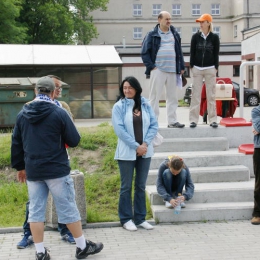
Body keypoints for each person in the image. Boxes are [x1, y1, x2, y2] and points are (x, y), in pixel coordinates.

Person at [11, 76, 103, 260]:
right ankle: (82, 247)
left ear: (35, 91)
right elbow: (74, 140)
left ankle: (40, 252)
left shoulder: (22, 114)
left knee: (36, 212)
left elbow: (16, 143)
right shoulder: (59, 112)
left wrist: (20, 167)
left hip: (34, 171)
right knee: (68, 208)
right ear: (53, 92)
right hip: (56, 170)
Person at [16, 76, 75, 249]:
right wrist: (20, 166)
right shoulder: (29, 108)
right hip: (35, 164)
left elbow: (71, 134)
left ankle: (66, 231)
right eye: (55, 87)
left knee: (63, 200)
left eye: (60, 88)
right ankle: (28, 234)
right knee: (34, 204)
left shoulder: (62, 107)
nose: (58, 90)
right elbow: (20, 139)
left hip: (58, 161)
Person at [112, 76, 158, 231]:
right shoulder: (119, 106)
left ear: (137, 88)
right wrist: (136, 146)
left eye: (130, 87)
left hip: (145, 151)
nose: (127, 90)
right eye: (124, 88)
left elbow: (153, 124)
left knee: (140, 185)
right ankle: (125, 219)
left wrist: (144, 144)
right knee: (126, 186)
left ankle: (140, 218)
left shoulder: (145, 104)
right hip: (127, 153)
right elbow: (120, 130)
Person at [141, 11, 185, 128]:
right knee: (154, 97)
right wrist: (152, 66)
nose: (169, 21)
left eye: (170, 19)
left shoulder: (174, 34)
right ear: (159, 20)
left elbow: (179, 52)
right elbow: (144, 52)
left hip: (172, 70)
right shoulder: (151, 34)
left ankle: (172, 121)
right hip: (158, 70)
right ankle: (153, 122)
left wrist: (181, 67)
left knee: (172, 97)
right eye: (166, 19)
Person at [189, 13, 220, 128]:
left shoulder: (215, 37)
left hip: (210, 68)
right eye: (200, 22)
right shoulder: (195, 37)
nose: (200, 24)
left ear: (208, 23)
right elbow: (192, 52)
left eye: (202, 22)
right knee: (195, 95)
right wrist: (192, 66)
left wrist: (216, 67)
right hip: (197, 68)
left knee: (211, 95)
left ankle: (213, 120)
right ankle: (193, 120)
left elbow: (216, 54)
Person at [251, 105, 260, 225]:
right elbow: (258, 126)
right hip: (259, 150)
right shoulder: (256, 110)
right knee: (259, 183)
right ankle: (257, 213)